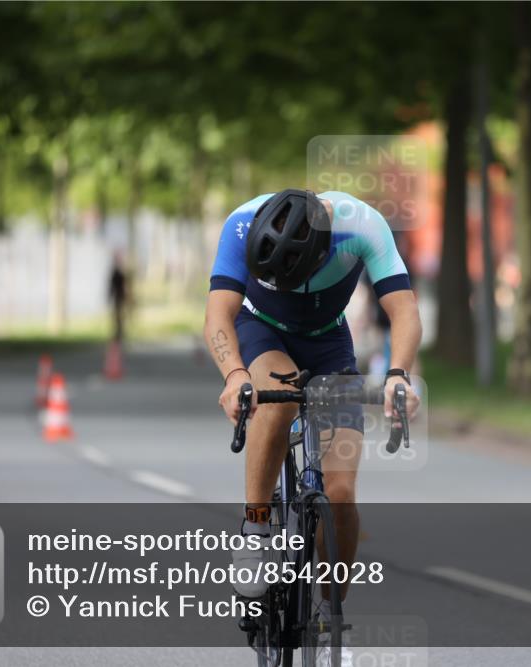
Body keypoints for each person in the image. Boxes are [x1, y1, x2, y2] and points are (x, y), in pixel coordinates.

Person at [204, 189, 421, 666]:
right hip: (261, 332)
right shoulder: (241, 222)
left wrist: (398, 375)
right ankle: (256, 530)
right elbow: (219, 314)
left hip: (328, 344)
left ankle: (329, 617)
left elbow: (403, 310)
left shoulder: (360, 226)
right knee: (276, 402)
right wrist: (235, 375)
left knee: (340, 492)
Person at [108, 251, 130, 341]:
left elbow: (124, 286)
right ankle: (118, 332)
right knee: (118, 316)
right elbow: (112, 286)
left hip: (120, 297)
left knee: (120, 315)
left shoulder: (120, 273)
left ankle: (120, 332)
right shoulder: (116, 273)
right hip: (118, 297)